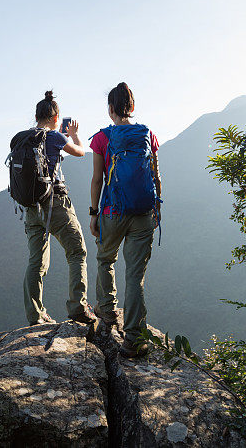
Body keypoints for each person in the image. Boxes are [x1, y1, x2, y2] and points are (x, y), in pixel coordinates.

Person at [89, 82, 161, 358]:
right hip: (143, 212)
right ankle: (134, 339)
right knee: (135, 276)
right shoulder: (148, 135)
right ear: (132, 107)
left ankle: (106, 312)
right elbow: (155, 176)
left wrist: (94, 213)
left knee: (106, 259)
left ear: (110, 110)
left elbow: (97, 180)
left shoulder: (101, 138)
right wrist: (155, 210)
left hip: (112, 212)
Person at [23, 91, 96, 325]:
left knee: (36, 262)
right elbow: (81, 151)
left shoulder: (22, 138)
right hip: (55, 204)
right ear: (56, 118)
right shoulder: (55, 137)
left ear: (36, 116)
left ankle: (35, 315)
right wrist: (73, 135)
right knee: (77, 252)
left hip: (30, 207)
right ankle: (78, 306)